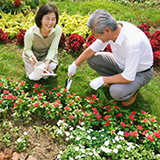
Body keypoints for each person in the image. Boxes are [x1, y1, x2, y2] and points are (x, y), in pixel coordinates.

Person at [68, 9, 154, 107]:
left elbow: (129, 76)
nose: (95, 37)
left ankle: (133, 91)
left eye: (96, 35)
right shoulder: (114, 30)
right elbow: (91, 50)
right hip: (122, 64)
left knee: (116, 92)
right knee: (93, 59)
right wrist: (74, 64)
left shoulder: (131, 43)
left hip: (140, 73)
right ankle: (117, 81)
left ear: (107, 31)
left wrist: (102, 80)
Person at [23, 3, 62, 81]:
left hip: (47, 54)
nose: (50, 23)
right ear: (40, 19)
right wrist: (32, 56)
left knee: (52, 65)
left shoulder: (57, 30)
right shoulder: (30, 33)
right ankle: (42, 72)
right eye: (47, 18)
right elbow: (27, 49)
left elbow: (53, 48)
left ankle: (46, 69)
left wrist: (47, 62)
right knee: (34, 77)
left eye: (53, 19)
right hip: (33, 56)